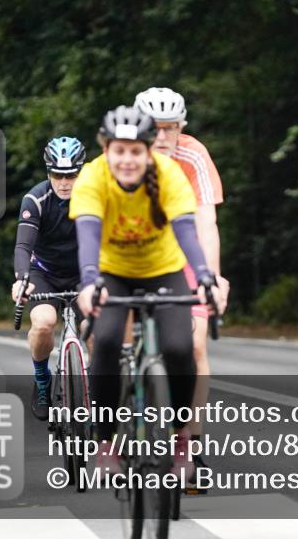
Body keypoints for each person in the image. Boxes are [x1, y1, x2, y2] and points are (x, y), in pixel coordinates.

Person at [70, 106, 224, 478]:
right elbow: (87, 234)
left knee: (180, 348)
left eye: (136, 151)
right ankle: (106, 443)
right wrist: (89, 283)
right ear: (106, 149)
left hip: (163, 270)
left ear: (148, 151)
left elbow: (187, 231)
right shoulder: (92, 177)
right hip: (112, 272)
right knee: (106, 342)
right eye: (119, 151)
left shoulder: (168, 174)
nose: (127, 160)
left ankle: (181, 437)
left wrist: (206, 277)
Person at [134, 87, 227, 481]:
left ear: (181, 127)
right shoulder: (122, 155)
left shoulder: (193, 155)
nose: (162, 136)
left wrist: (212, 278)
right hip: (133, 250)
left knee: (194, 345)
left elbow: (206, 223)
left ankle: (189, 443)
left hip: (182, 255)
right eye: (153, 128)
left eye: (170, 128)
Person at [12, 136, 87, 421]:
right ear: (48, 172)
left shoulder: (94, 197)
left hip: (84, 273)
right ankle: (42, 380)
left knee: (97, 329)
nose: (64, 182)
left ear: (81, 172)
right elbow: (23, 246)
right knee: (43, 323)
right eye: (57, 174)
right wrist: (22, 279)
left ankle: (97, 386)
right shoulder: (36, 199)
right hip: (45, 273)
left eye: (71, 175)